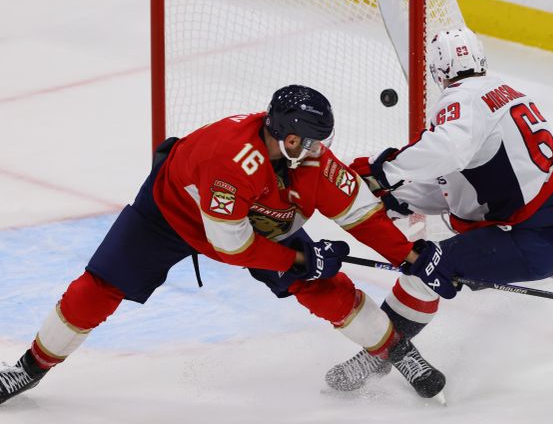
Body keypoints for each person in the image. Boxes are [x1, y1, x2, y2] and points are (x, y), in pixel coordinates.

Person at [0, 85, 446, 405]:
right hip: (169, 215)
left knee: (322, 285)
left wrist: (412, 257)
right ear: (288, 137)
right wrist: (300, 258)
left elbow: (360, 213)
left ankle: (397, 352)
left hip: (254, 217)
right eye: (310, 142)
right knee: (98, 288)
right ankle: (31, 366)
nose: (319, 151)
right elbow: (230, 247)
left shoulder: (310, 161)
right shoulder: (230, 161)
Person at [324, 28, 553, 392]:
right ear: (480, 60)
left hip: (532, 240)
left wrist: (384, 169)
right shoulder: (507, 93)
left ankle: (378, 357)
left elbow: (449, 154)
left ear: (437, 71)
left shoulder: (459, 103)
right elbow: (467, 185)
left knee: (424, 270)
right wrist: (401, 198)